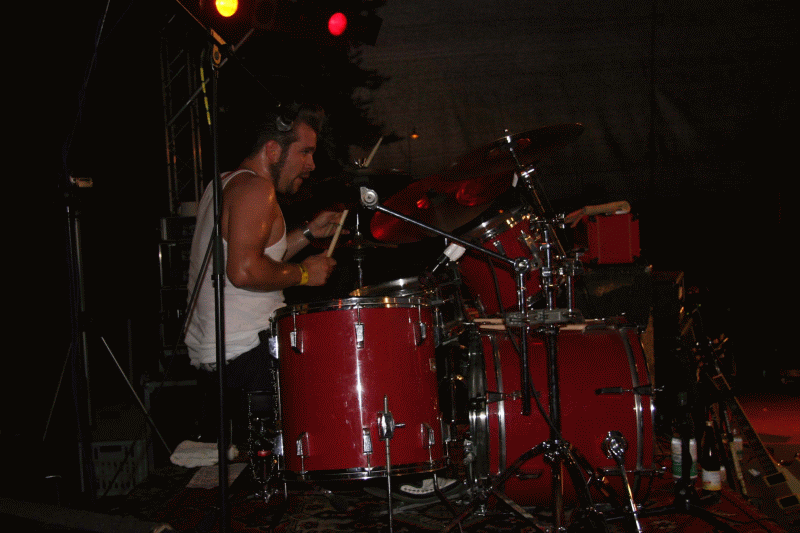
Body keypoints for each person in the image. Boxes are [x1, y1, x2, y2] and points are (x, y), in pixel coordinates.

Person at [184, 103, 343, 443]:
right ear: (272, 150)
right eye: (305, 152)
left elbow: (257, 255)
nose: (311, 165)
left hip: (221, 358)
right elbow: (244, 271)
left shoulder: (223, 183)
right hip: (248, 355)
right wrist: (304, 274)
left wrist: (309, 233)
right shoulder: (258, 190)